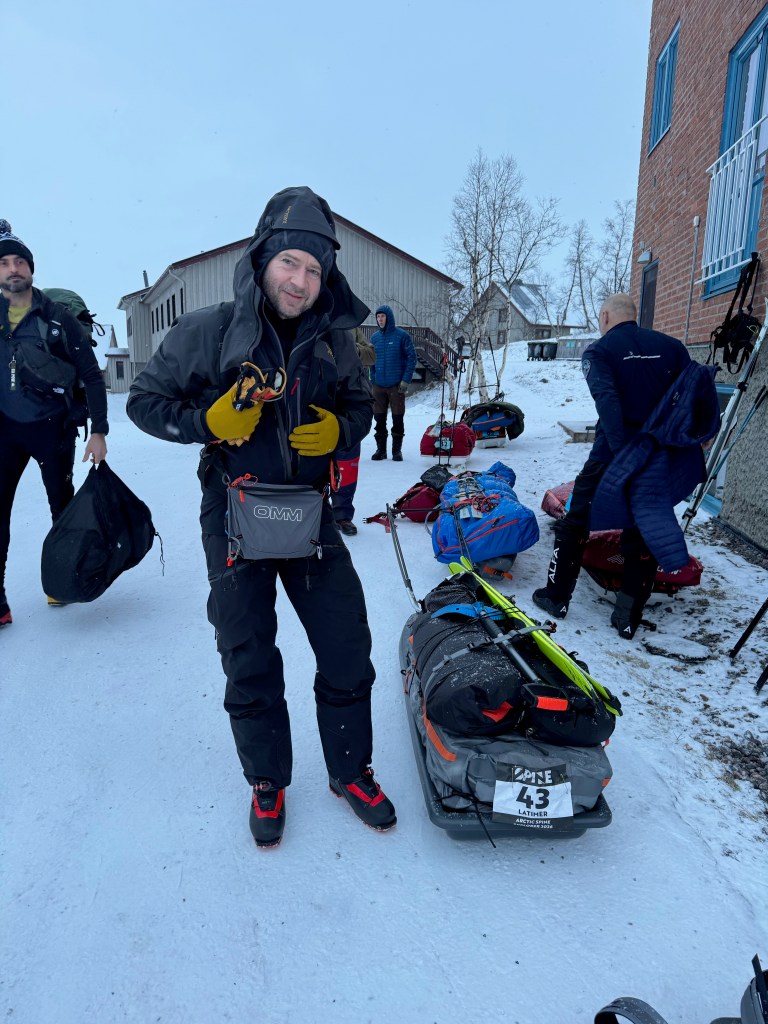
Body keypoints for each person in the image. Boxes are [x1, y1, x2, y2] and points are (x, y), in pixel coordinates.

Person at [126, 187, 396, 848]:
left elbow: (360, 409)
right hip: (233, 512)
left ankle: (349, 770)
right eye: (289, 263)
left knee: (346, 644)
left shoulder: (334, 340)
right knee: (246, 651)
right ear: (262, 260)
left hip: (309, 514)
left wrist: (339, 431)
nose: (300, 281)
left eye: (314, 269)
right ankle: (267, 780)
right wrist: (206, 422)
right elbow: (143, 402)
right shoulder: (210, 330)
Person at [531, 293, 694, 640]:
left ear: (605, 316)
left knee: (575, 523)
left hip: (611, 456)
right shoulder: (673, 348)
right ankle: (627, 618)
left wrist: (624, 456)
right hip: (656, 457)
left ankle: (556, 598)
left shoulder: (600, 351)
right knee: (644, 530)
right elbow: (691, 397)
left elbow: (607, 400)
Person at [0, 222, 108, 627]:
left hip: (52, 430)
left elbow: (92, 375)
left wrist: (99, 431)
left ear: (31, 268)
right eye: (4, 263)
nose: (13, 269)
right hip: (5, 432)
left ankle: (60, 583)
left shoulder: (58, 318)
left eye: (20, 262)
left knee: (61, 508)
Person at [331, 327, 375, 535]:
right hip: (315, 400)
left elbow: (371, 355)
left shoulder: (351, 328)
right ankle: (313, 514)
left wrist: (350, 348)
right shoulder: (306, 321)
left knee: (347, 465)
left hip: (349, 402)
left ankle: (342, 515)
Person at [369, 304, 416, 461]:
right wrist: (373, 378)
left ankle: (397, 451)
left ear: (388, 317)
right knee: (379, 419)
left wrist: (405, 380)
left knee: (397, 419)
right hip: (378, 386)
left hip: (397, 386)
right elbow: (371, 360)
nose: (380, 319)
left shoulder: (401, 336)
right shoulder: (374, 338)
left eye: (382, 316)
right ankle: (381, 450)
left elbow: (412, 357)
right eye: (378, 317)